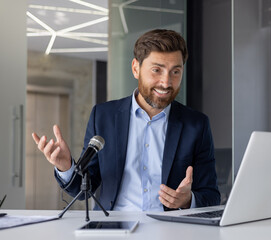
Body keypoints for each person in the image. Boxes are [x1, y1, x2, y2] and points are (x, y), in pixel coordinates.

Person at [32, 29, 220, 212]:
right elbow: (83, 190)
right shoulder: (103, 115)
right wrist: (66, 167)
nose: (166, 82)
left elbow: (211, 196)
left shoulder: (196, 125)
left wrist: (188, 201)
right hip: (113, 228)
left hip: (170, 230)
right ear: (135, 68)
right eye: (157, 70)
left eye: (175, 72)